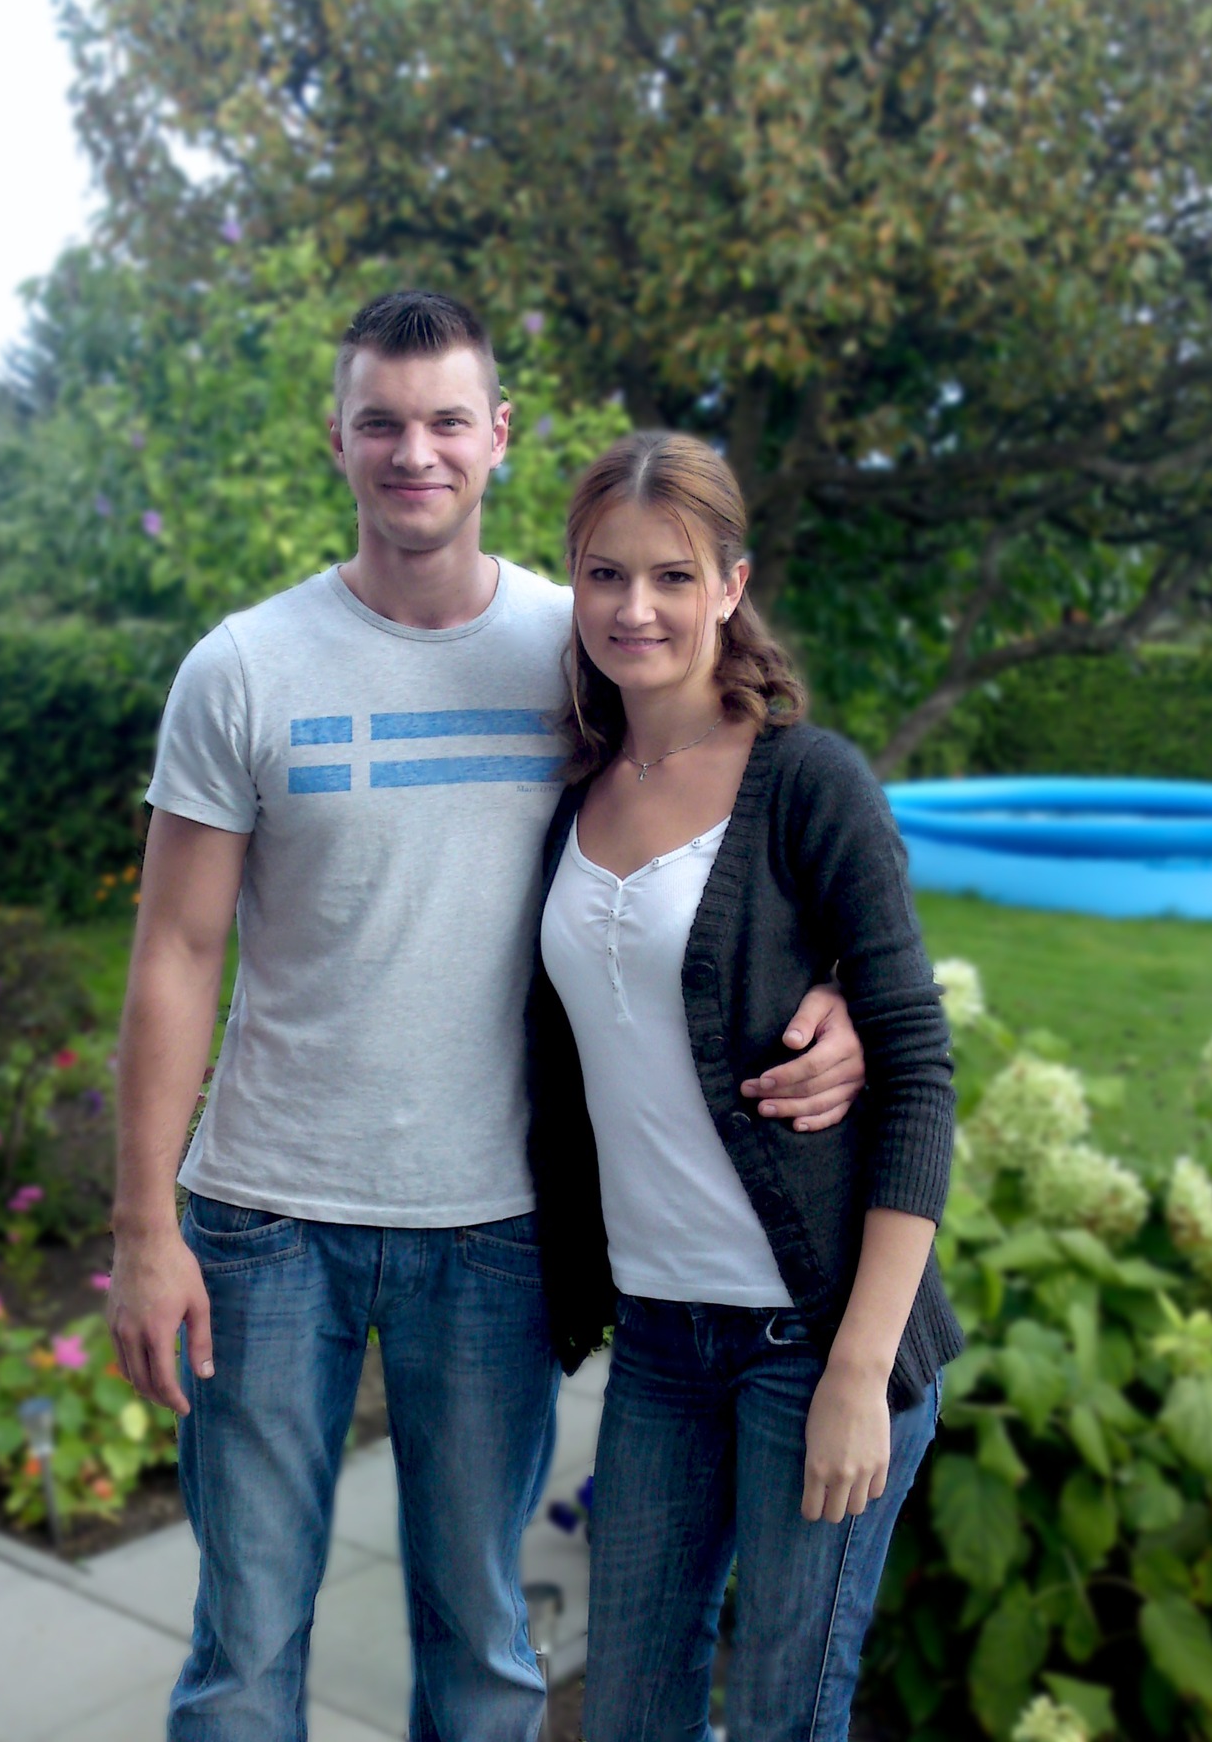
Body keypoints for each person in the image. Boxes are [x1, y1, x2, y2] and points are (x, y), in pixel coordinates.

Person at [107, 291, 869, 1742]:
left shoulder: (578, 644)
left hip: (500, 1227)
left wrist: (840, 988)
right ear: (337, 437)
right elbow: (176, 953)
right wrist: (146, 1230)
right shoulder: (244, 669)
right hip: (266, 1221)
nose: (416, 453)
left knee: (483, 1643)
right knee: (245, 1644)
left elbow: (745, 814)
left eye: (447, 420)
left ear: (498, 435)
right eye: (382, 422)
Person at [527, 430, 963, 1742]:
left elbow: (919, 1071)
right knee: (628, 1712)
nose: (635, 607)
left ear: (731, 584)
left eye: (673, 575)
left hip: (813, 1341)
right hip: (663, 1340)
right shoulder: (573, 789)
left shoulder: (805, 783)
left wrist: (860, 1373)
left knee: (784, 1714)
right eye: (605, 574)